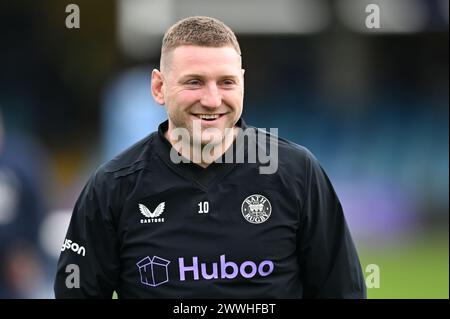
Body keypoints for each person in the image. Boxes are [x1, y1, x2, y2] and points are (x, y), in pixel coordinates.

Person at [54, 16, 366, 298]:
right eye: (194, 82)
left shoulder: (297, 173)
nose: (212, 99)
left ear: (242, 84)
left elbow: (343, 292)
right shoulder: (113, 187)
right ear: (159, 87)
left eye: (226, 82)